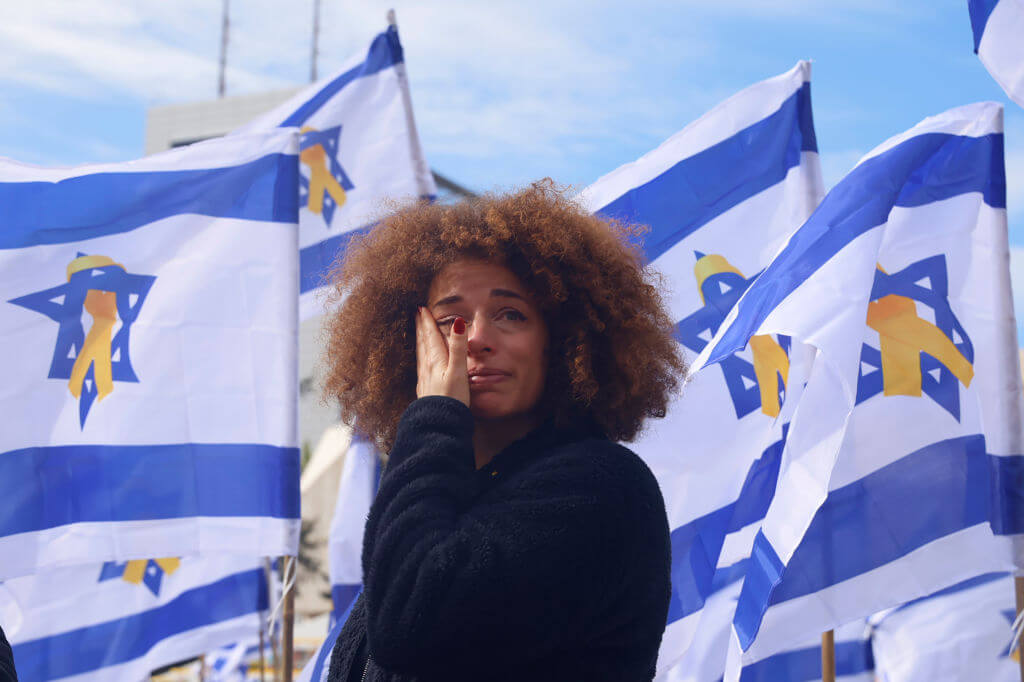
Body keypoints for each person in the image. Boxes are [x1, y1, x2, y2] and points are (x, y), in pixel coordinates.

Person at [323, 181, 686, 682]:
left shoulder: (601, 485)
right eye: (451, 320)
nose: (475, 340)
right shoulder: (441, 499)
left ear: (560, 340)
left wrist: (433, 411)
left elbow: (411, 625)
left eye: (509, 314)